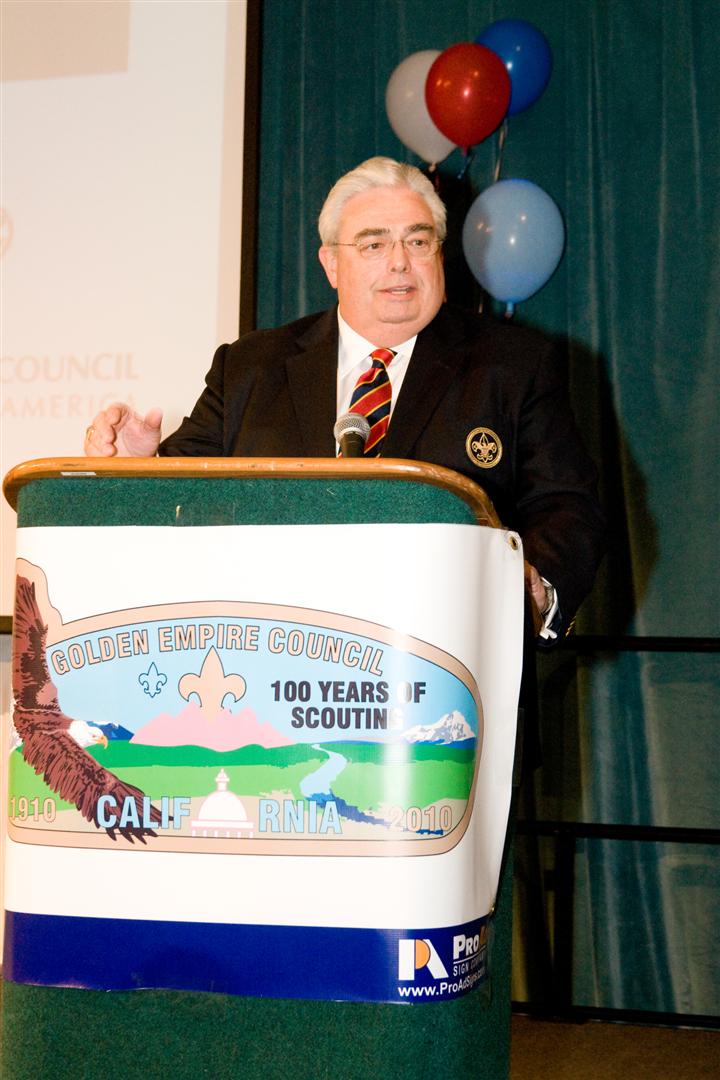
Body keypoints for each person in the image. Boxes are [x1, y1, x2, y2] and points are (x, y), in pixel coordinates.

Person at [84, 156, 605, 645]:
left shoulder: (513, 365)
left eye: (418, 241)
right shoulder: (249, 368)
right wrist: (136, 472)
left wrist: (539, 584)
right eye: (374, 245)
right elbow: (181, 505)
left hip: (448, 660)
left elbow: (567, 506)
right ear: (331, 264)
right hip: (271, 661)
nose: (400, 263)